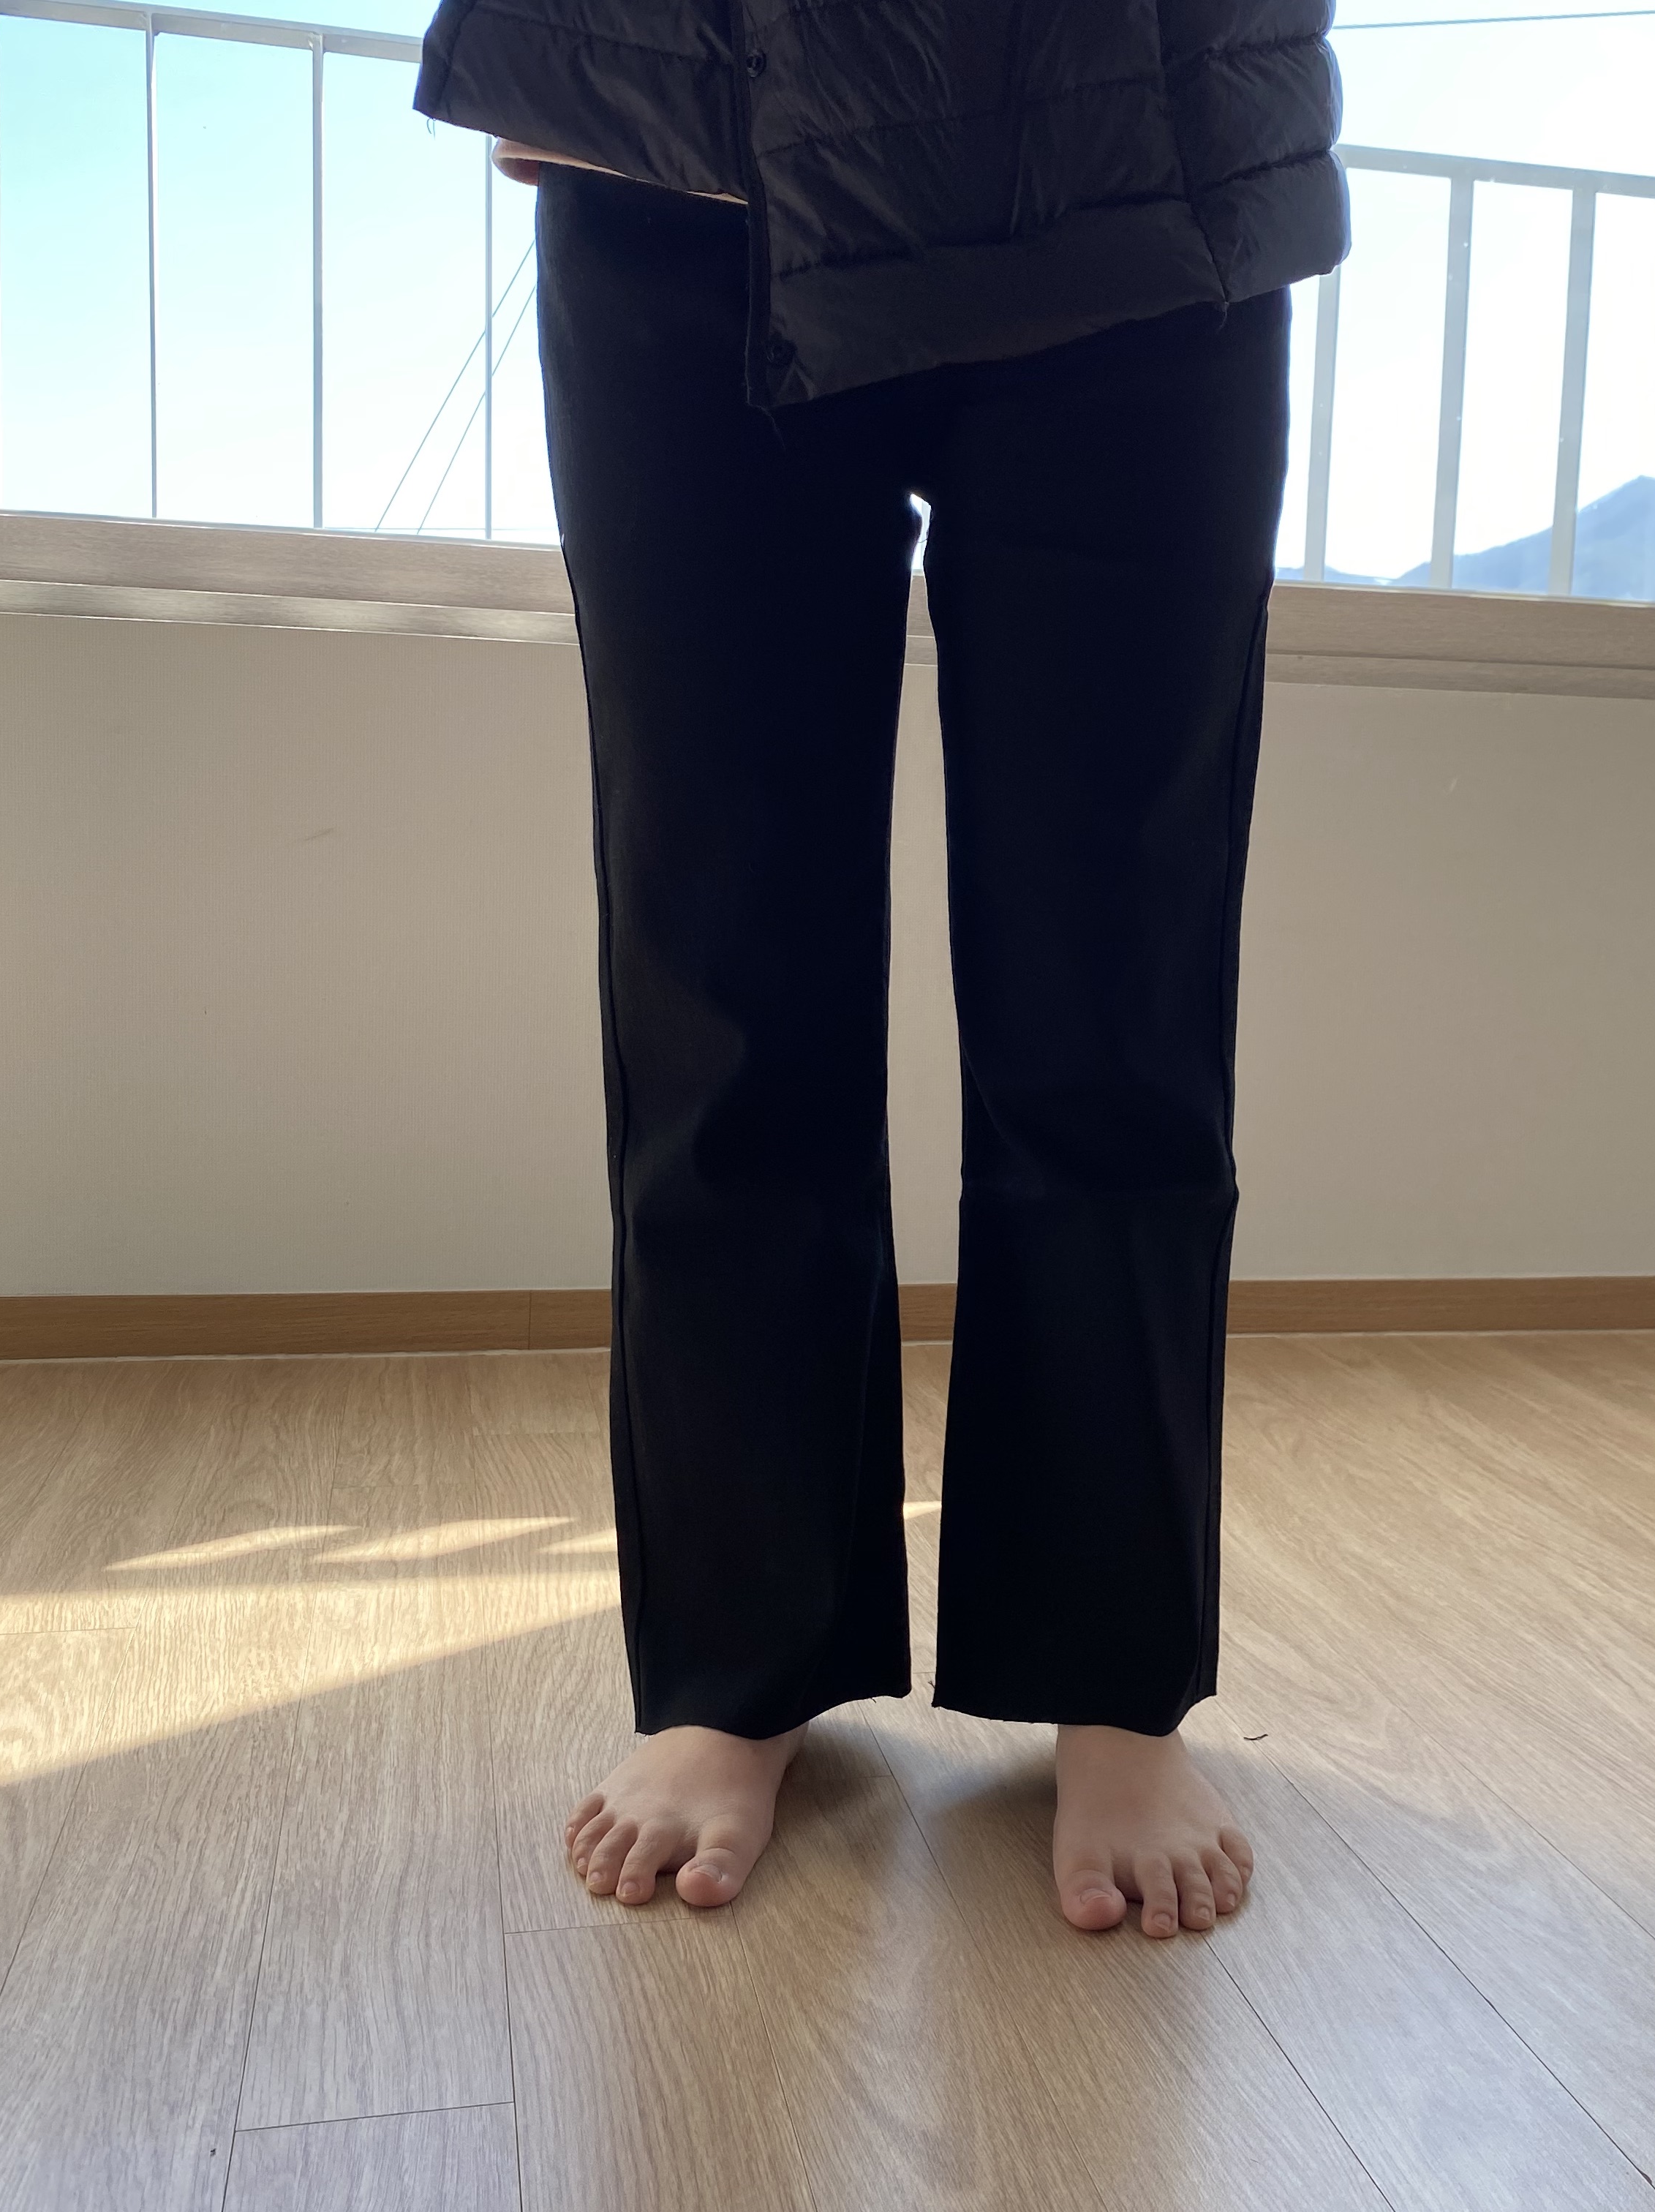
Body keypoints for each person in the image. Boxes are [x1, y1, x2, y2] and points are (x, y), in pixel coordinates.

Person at [414, 2, 1349, 1938]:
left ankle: (1112, 1666)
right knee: (723, 972)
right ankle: (735, 1660)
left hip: (1147, 146)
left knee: (1121, 983)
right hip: (687, 135)